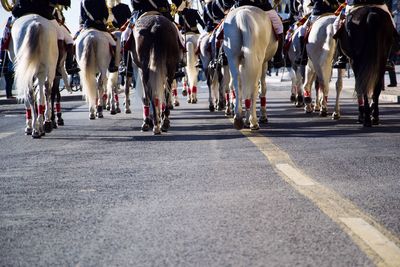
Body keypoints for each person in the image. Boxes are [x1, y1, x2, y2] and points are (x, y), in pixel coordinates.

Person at [9, 0, 80, 75]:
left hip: (21, 10)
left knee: (8, 31)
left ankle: (5, 59)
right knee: (67, 39)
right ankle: (63, 67)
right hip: (43, 12)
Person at [332, 0, 396, 68]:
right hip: (378, 4)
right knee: (391, 26)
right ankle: (387, 59)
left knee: (336, 25)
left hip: (356, 4)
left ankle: (342, 57)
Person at [295, 0, 342, 65]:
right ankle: (342, 55)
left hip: (318, 12)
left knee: (302, 31)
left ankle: (303, 57)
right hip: (333, 12)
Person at [80, 0, 118, 72]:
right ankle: (112, 64)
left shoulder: (83, 1)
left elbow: (82, 16)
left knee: (74, 42)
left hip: (87, 26)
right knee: (113, 43)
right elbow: (106, 14)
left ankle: (74, 62)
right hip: (99, 27)